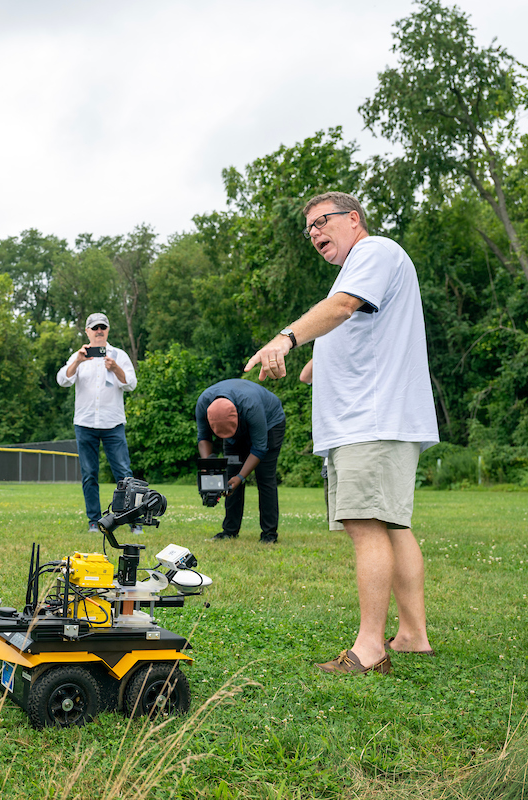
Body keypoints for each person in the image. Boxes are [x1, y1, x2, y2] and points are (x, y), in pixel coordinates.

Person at [245, 191, 439, 675]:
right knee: (393, 525)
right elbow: (352, 330)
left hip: (369, 422)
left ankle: (370, 650)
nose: (314, 232)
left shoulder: (373, 252)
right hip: (380, 419)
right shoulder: (365, 270)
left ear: (354, 220)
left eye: (322, 221)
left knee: (367, 526)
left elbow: (344, 306)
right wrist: (310, 363)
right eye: (308, 228)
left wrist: (284, 338)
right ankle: (413, 634)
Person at [56, 312, 138, 533]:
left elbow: (131, 384)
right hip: (85, 423)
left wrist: (115, 369)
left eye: (103, 327)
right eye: (95, 328)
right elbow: (63, 380)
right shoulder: (79, 356)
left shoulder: (119, 355)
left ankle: (131, 520)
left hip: (113, 423)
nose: (99, 331)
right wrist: (78, 361)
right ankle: (94, 521)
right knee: (89, 473)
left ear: (108, 330)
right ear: (87, 331)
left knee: (124, 473)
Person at [195, 379, 286, 544]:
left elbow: (259, 449)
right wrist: (208, 467)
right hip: (238, 431)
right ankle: (229, 530)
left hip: (270, 424)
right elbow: (203, 437)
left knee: (264, 477)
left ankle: (269, 534)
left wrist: (241, 477)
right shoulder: (203, 404)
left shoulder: (251, 407)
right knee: (230, 478)